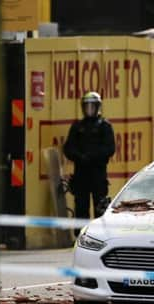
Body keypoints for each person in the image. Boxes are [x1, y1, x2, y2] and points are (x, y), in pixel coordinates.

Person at [63, 91, 115, 222]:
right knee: (81, 207)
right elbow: (68, 147)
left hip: (98, 173)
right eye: (87, 106)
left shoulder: (104, 126)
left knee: (100, 207)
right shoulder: (77, 126)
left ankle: (100, 235)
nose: (90, 109)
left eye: (93, 106)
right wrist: (79, 157)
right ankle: (80, 234)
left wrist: (93, 156)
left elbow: (110, 148)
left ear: (98, 107)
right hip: (81, 174)